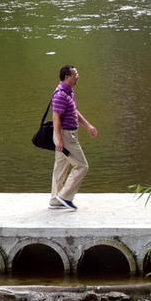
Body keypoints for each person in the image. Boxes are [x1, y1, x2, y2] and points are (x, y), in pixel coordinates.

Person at [48, 64, 99, 209]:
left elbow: (74, 111)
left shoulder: (69, 92)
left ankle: (55, 201)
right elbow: (56, 118)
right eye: (75, 74)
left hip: (69, 134)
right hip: (65, 136)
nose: (78, 76)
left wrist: (88, 126)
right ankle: (64, 196)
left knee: (60, 168)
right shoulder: (60, 95)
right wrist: (59, 139)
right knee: (82, 166)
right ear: (67, 77)